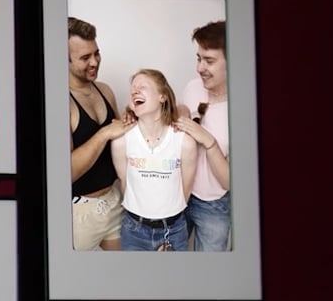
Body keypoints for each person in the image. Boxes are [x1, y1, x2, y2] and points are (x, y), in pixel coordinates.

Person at [110, 69, 196, 252]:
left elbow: (185, 189)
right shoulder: (120, 141)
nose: (134, 92)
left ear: (162, 96)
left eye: (142, 87)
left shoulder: (185, 142)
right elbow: (125, 183)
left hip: (174, 230)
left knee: (174, 281)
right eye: (132, 89)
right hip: (133, 230)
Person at [67, 17, 132, 251]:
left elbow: (119, 144)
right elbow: (67, 171)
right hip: (79, 213)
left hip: (114, 201)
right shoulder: (60, 101)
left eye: (97, 53)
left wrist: (133, 121)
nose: (94, 62)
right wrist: (104, 133)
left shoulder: (104, 90)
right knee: (75, 284)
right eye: (85, 58)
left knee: (122, 279)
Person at [178, 20, 232, 252]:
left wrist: (208, 140)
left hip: (214, 205)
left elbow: (229, 181)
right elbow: (181, 111)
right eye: (199, 58)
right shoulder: (193, 86)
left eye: (209, 61)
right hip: (179, 195)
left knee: (211, 273)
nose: (200, 68)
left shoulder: (243, 110)